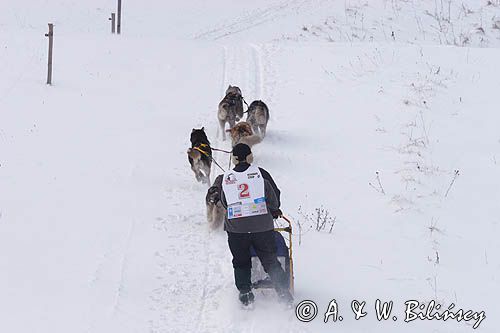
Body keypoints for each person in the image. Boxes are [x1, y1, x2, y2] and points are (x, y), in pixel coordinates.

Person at [210, 143, 293, 307]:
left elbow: (225, 203)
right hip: (262, 226)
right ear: (250, 156)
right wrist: (274, 210)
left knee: (240, 261)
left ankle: (246, 293)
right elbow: (274, 198)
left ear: (233, 159)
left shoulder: (225, 178)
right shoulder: (260, 174)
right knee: (270, 259)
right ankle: (283, 293)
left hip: (236, 229)